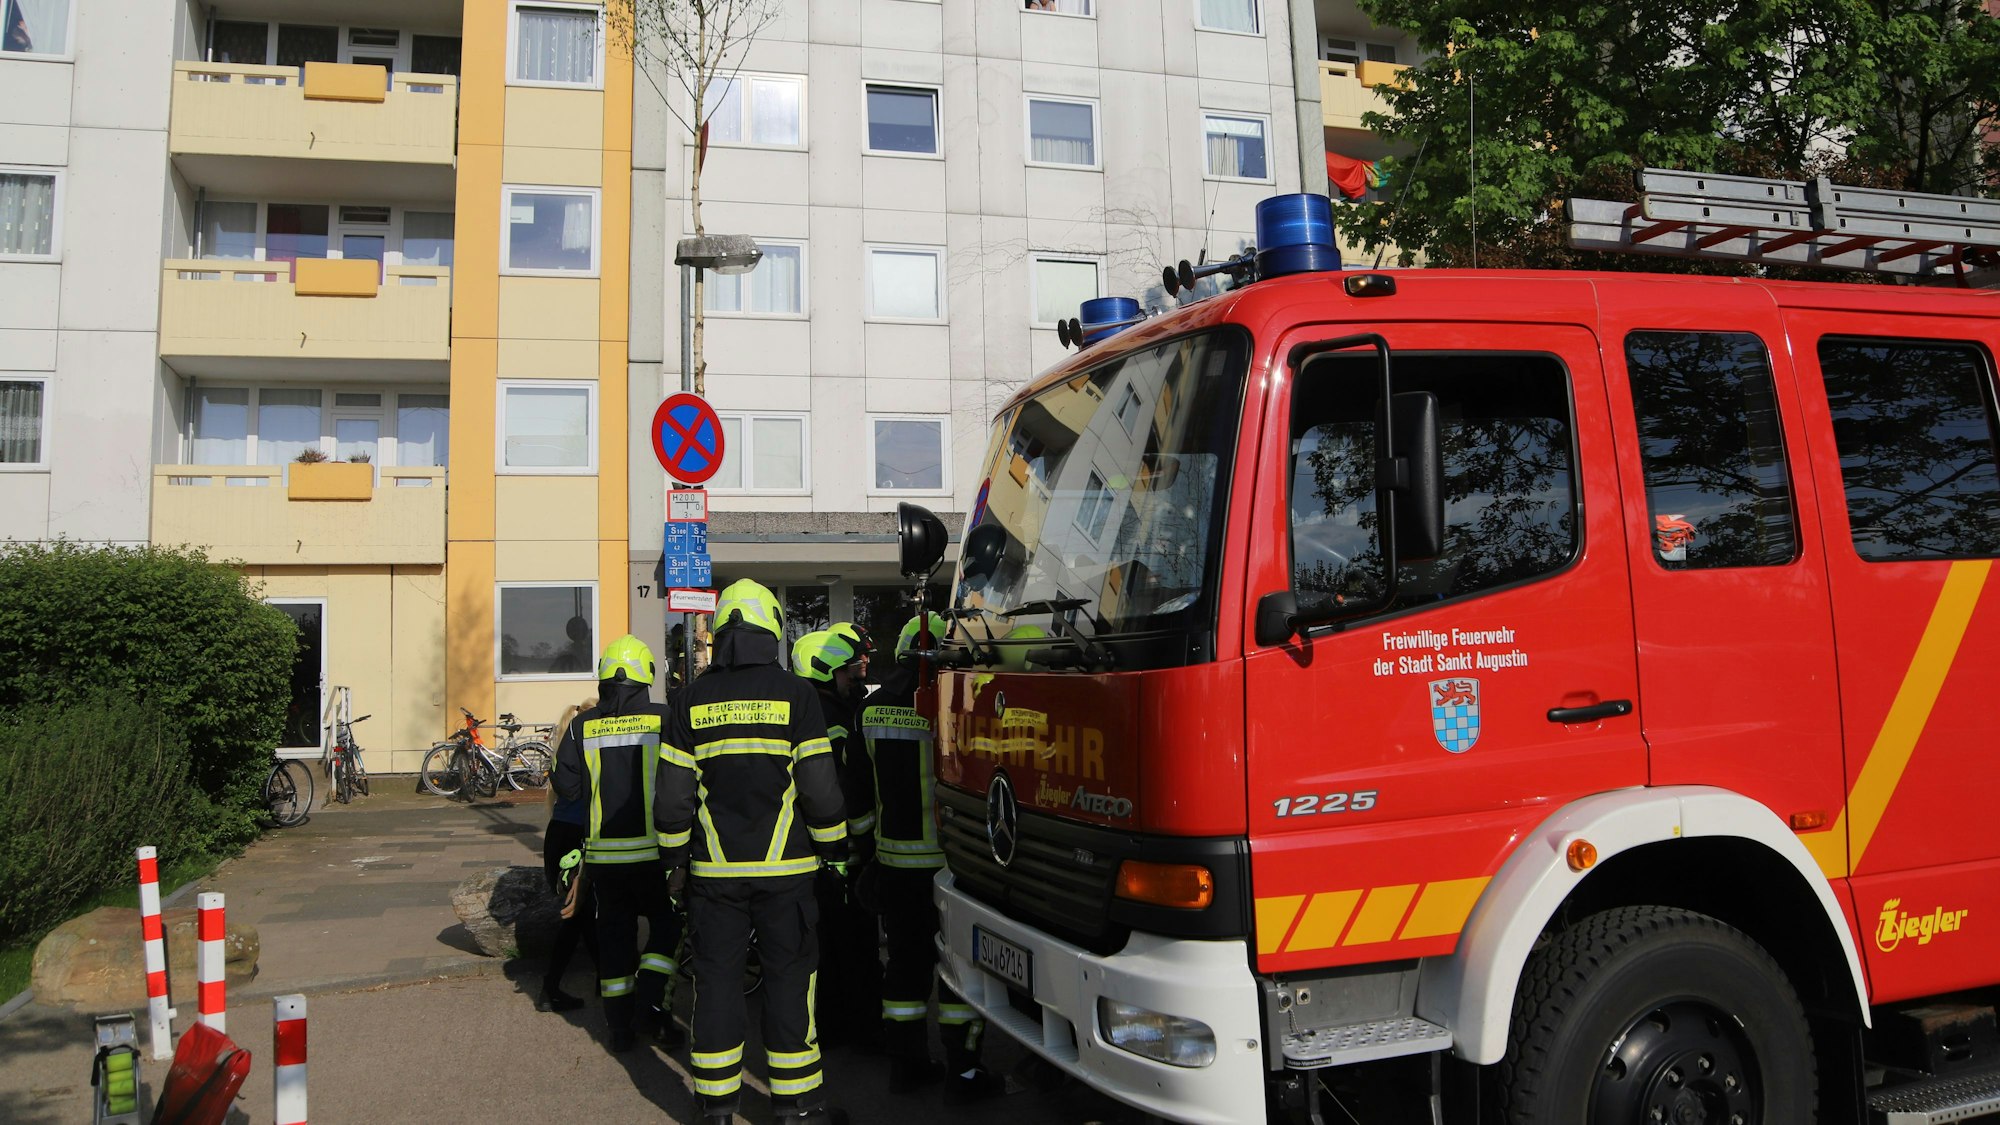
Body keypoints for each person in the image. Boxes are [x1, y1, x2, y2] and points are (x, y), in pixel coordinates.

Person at [657, 580, 850, 1125]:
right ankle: (796, 1110)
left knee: (716, 983)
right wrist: (836, 854)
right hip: (788, 874)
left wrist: (673, 865)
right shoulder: (798, 695)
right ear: (772, 632)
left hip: (713, 876)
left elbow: (673, 801)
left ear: (720, 634)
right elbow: (820, 790)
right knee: (791, 982)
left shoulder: (688, 700)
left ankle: (716, 1109)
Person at [858, 613, 1003, 1101]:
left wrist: (864, 851)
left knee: (904, 966)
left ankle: (906, 1066)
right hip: (952, 866)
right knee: (962, 968)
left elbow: (859, 793)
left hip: (894, 864)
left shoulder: (871, 709)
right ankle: (963, 1074)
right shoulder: (958, 705)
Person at [552, 635, 684, 1052]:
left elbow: (567, 786)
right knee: (667, 926)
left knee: (614, 941)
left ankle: (619, 1030)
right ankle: (651, 998)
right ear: (647, 676)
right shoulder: (666, 718)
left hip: (604, 860)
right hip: (656, 854)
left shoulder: (580, 726)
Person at [792, 627, 882, 1049]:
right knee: (854, 947)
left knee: (825, 949)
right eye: (848, 675)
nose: (856, 681)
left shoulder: (808, 712)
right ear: (827, 675)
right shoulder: (833, 722)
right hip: (837, 854)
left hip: (809, 855)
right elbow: (843, 791)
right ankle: (862, 1030)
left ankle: (832, 1026)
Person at [539, 695, 600, 1013]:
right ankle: (550, 988)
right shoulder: (588, 747)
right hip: (577, 839)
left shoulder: (566, 747)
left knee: (585, 915)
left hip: (559, 836)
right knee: (576, 916)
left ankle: (606, 979)